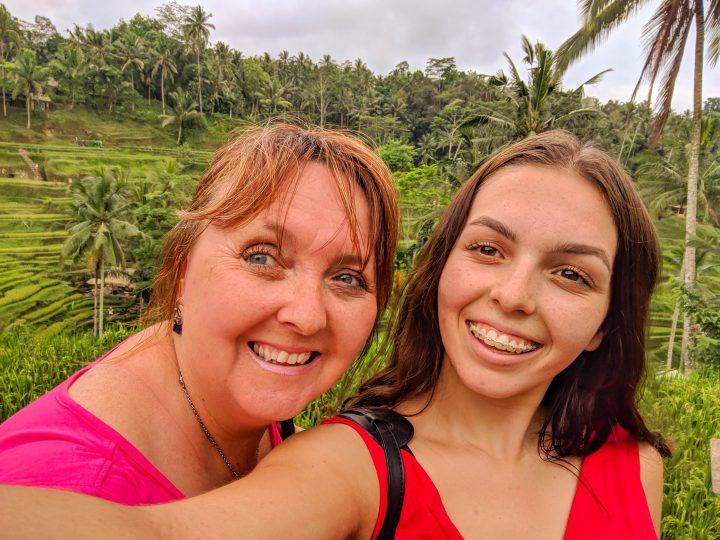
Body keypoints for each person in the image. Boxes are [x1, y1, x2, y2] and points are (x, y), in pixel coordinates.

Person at [0, 130, 669, 539]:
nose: (515, 295)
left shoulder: (635, 467)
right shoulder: (350, 468)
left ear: (605, 323)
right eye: (490, 250)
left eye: (571, 274)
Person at [0, 123, 399, 504]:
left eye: (348, 278)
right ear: (183, 271)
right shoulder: (68, 491)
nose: (308, 316)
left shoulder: (238, 395)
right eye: (262, 257)